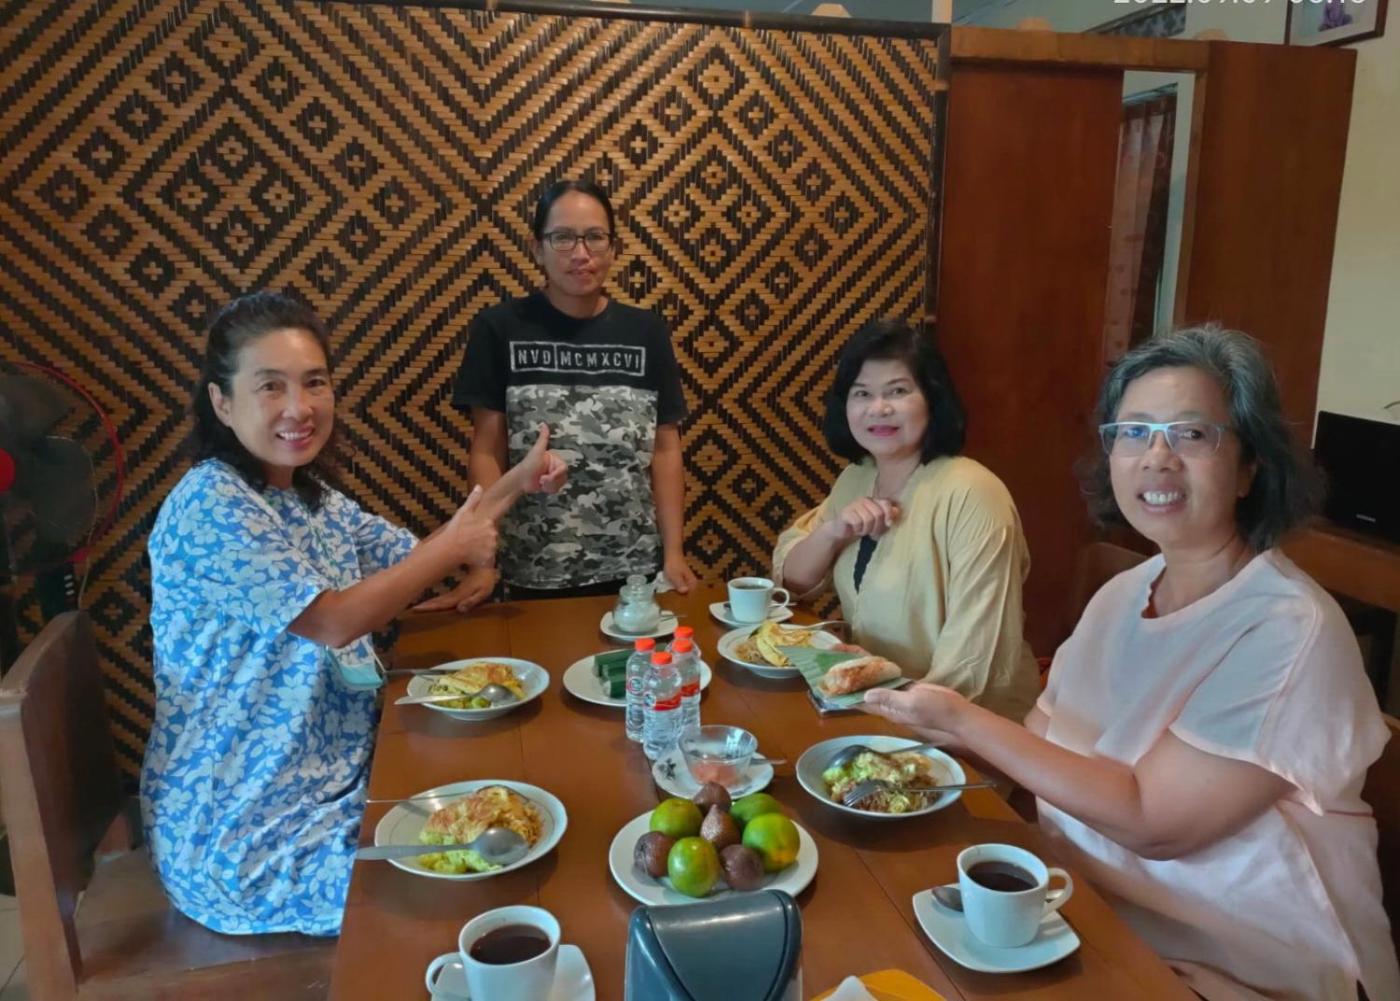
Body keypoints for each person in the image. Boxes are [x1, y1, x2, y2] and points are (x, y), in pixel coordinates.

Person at [863, 325, 1399, 1001]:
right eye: (1134, 432)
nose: (1157, 457)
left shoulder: (1288, 627)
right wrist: (904, 720)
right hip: (1089, 919)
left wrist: (961, 718)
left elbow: (1153, 820)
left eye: (1191, 434)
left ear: (1250, 468)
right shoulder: (1124, 594)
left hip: (1247, 973)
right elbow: (1040, 746)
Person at [140, 290, 564, 936]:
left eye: (315, 383)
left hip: (341, 782)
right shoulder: (211, 504)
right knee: (477, 883)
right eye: (271, 386)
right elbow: (334, 620)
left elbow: (417, 558)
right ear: (221, 403)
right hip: (244, 824)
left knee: (506, 812)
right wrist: (454, 548)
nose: (299, 407)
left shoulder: (308, 499)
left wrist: (518, 481)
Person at [442, 178, 695, 608]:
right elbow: (487, 450)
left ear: (613, 249)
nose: (581, 253)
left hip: (635, 566)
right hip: (534, 567)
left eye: (595, 237)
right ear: (537, 249)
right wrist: (482, 562)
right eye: (562, 238)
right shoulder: (499, 328)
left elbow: (665, 448)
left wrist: (673, 552)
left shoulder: (647, 332)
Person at [772, 319, 1039, 721]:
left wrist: (886, 695)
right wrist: (834, 531)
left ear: (932, 398)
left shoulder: (973, 493)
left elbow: (973, 666)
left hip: (966, 724)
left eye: (897, 391)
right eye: (862, 393)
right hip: (874, 699)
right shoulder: (857, 477)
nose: (878, 408)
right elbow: (792, 580)